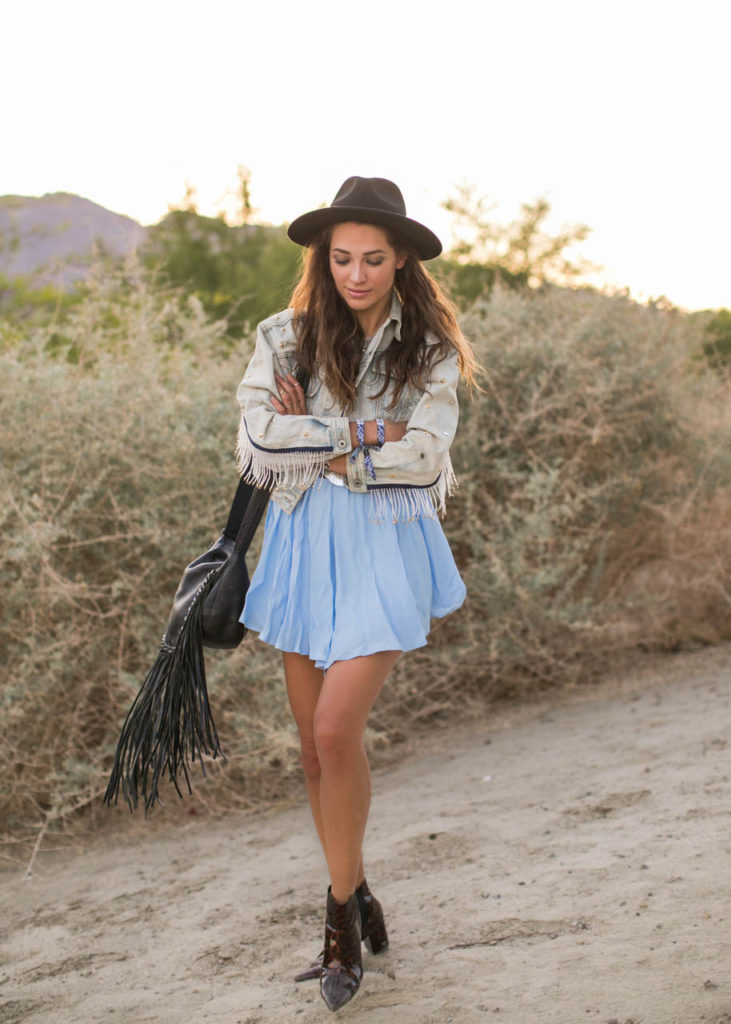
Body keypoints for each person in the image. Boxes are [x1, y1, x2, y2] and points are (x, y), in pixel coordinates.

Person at [236, 176, 478, 1012]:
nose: (357, 274)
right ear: (323, 258)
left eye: (373, 258)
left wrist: (329, 447)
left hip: (383, 543)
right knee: (311, 750)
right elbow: (260, 432)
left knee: (338, 731)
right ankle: (360, 885)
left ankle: (338, 919)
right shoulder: (284, 336)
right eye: (341, 258)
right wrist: (366, 430)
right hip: (303, 545)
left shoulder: (432, 348)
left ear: (401, 257)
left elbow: (426, 457)